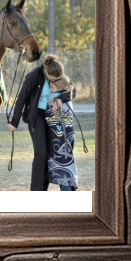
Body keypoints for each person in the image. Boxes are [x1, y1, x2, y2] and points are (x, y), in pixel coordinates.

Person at [7, 54, 75, 191]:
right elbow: (21, 98)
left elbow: (72, 90)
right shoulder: (34, 76)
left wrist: (61, 97)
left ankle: (46, 188)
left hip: (52, 116)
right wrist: (14, 122)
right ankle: (36, 190)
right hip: (36, 115)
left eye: (57, 79)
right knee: (41, 153)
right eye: (52, 79)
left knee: (51, 153)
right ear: (46, 72)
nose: (54, 81)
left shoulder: (56, 73)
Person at [45, 76, 78, 191]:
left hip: (60, 137)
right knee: (66, 161)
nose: (50, 90)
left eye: (52, 87)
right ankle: (70, 186)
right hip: (67, 135)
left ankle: (67, 189)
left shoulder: (56, 98)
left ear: (59, 89)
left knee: (62, 163)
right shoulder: (65, 96)